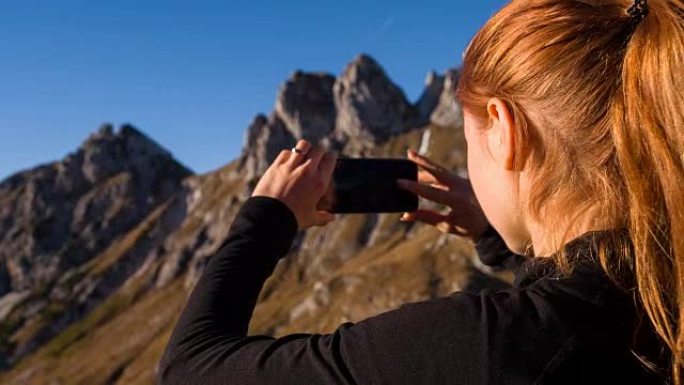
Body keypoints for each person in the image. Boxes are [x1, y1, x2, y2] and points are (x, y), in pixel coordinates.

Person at [158, 0, 682, 383]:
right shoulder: (661, 290)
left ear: (504, 129)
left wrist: (265, 218)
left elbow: (189, 368)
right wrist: (497, 238)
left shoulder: (481, 345)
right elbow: (574, 308)